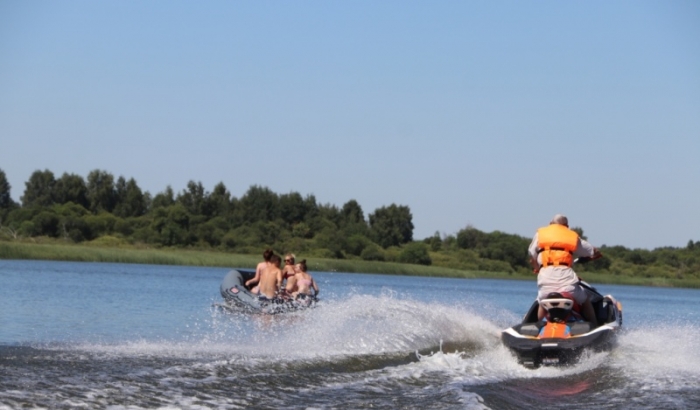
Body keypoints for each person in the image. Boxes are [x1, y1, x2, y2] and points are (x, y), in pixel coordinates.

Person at [528, 214, 602, 327]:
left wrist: (537, 268)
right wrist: (593, 255)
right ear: (566, 226)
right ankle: (594, 325)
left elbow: (532, 254)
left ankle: (533, 326)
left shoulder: (540, 234)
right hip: (567, 283)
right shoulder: (572, 236)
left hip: (545, 280)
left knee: (541, 300)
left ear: (550, 224)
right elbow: (593, 251)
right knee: (585, 299)